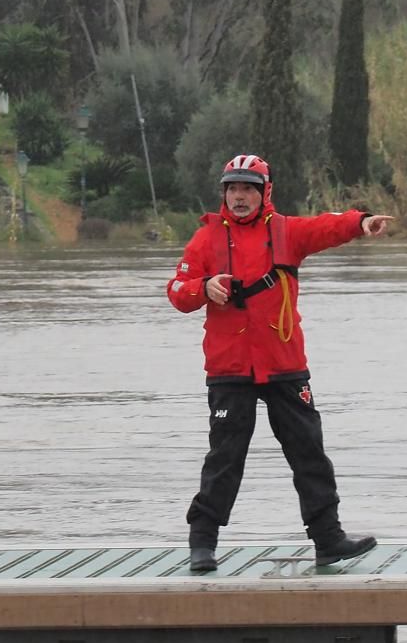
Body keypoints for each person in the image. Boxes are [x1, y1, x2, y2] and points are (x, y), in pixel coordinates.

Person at [167, 154, 393, 573]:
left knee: (309, 452)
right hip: (230, 368)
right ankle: (202, 543)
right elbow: (177, 290)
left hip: (284, 362)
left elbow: (326, 225)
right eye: (233, 188)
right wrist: (204, 287)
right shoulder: (205, 241)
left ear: (264, 193)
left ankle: (328, 540)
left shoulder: (286, 232)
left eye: (248, 188)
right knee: (225, 457)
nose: (239, 196)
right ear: (224, 193)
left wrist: (360, 223)